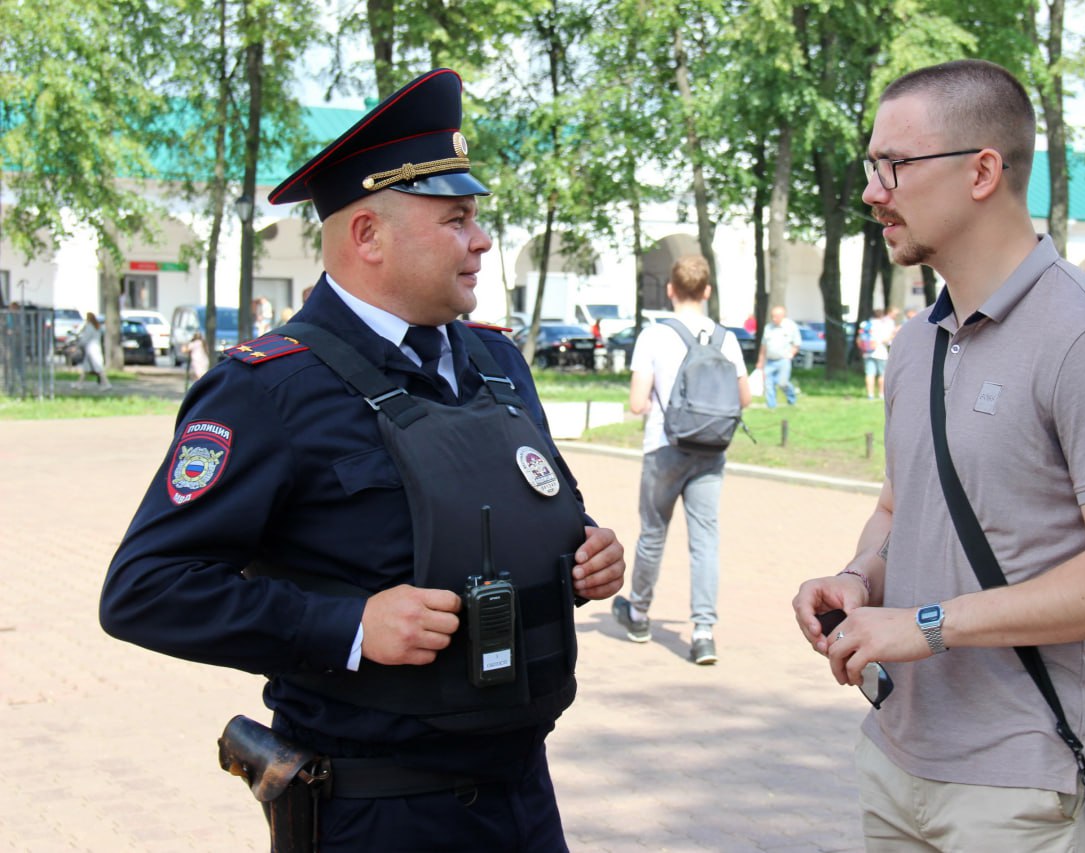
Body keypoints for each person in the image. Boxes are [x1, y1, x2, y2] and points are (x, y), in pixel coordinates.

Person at [99, 69, 626, 852]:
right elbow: (144, 589)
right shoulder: (270, 389)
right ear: (368, 236)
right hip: (379, 815)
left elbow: (504, 514)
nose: (481, 240)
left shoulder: (493, 363)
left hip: (522, 798)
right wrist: (347, 625)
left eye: (476, 217)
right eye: (456, 219)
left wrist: (584, 551)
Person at [792, 59, 1085, 851]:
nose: (874, 191)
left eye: (894, 165)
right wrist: (859, 576)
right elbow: (900, 509)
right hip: (896, 761)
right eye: (874, 167)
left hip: (1025, 790)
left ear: (982, 171)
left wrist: (929, 624)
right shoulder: (916, 342)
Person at [611, 256, 750, 665]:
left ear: (670, 290)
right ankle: (703, 632)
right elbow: (744, 399)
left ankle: (638, 613)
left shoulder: (654, 336)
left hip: (664, 447)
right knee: (705, 540)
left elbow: (638, 403)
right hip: (711, 450)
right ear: (707, 291)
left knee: (653, 534)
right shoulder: (726, 337)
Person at [756, 304, 800, 408]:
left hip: (783, 360)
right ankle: (771, 405)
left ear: (782, 316)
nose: (774, 318)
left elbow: (797, 343)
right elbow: (764, 345)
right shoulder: (768, 327)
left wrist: (791, 354)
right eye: (772, 316)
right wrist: (760, 361)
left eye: (776, 316)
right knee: (768, 384)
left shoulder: (791, 326)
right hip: (770, 360)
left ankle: (791, 398)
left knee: (782, 383)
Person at [863, 307, 897, 400]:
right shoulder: (884, 325)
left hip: (868, 352)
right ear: (882, 315)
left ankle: (870, 395)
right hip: (881, 353)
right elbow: (888, 339)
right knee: (882, 374)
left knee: (870, 374)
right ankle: (881, 394)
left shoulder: (867, 324)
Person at [72, 311, 110, 390]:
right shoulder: (97, 326)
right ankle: (79, 384)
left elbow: (85, 338)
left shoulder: (89, 326)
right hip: (95, 348)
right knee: (86, 369)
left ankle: (107, 384)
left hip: (91, 350)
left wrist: (78, 345)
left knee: (98, 368)